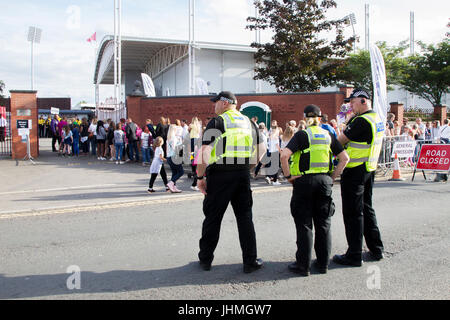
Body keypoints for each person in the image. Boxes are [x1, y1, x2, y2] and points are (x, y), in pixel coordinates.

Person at [195, 91, 266, 273]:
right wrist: (247, 168)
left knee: (213, 218)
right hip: (242, 175)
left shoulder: (218, 121)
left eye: (216, 102)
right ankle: (250, 262)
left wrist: (200, 177)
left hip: (219, 175)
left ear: (225, 103)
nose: (214, 106)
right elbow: (261, 149)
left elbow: (204, 152)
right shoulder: (249, 122)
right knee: (245, 218)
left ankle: (205, 260)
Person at [280, 105, 349, 276]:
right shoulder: (329, 135)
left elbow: (284, 155)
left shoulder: (303, 135)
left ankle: (303, 266)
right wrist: (332, 177)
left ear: (305, 118)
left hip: (304, 182)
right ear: (320, 118)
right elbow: (344, 158)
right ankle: (323, 264)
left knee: (304, 225)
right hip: (324, 181)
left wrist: (288, 176)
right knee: (324, 224)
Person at [333, 88, 385, 267]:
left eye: (353, 103)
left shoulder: (361, 121)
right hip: (368, 169)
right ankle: (376, 248)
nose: (350, 106)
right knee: (367, 209)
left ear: (364, 101)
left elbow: (340, 141)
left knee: (353, 213)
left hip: (354, 170)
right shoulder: (376, 118)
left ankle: (354, 254)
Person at [166, 124, 184, 193]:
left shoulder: (168, 138)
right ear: (174, 130)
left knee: (174, 172)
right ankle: (171, 183)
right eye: (176, 129)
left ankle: (173, 187)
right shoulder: (174, 138)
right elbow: (175, 149)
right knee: (181, 172)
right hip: (174, 157)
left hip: (169, 157)